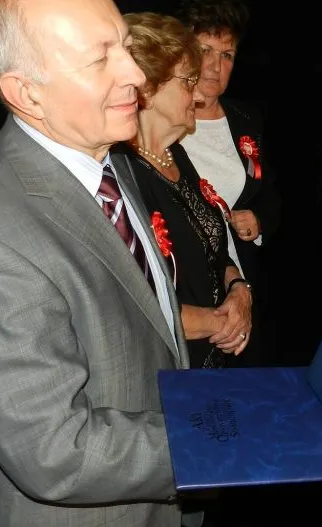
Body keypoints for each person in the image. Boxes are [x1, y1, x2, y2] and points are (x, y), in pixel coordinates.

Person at [0, 0, 217, 525]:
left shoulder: (104, 157)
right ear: (26, 93)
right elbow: (57, 450)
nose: (135, 73)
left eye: (125, 46)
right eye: (100, 59)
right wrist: (223, 440)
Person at [123, 11, 252, 368]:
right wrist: (222, 323)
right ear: (148, 89)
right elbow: (136, 306)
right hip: (169, 370)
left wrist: (240, 292)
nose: (197, 93)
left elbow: (216, 249)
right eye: (187, 81)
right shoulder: (122, 175)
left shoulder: (175, 153)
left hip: (212, 360)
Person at [175, 0, 282, 367]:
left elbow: (269, 194)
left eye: (227, 55)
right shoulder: (161, 119)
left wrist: (259, 220)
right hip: (186, 288)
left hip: (241, 285)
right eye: (205, 50)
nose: (215, 65)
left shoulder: (245, 117)